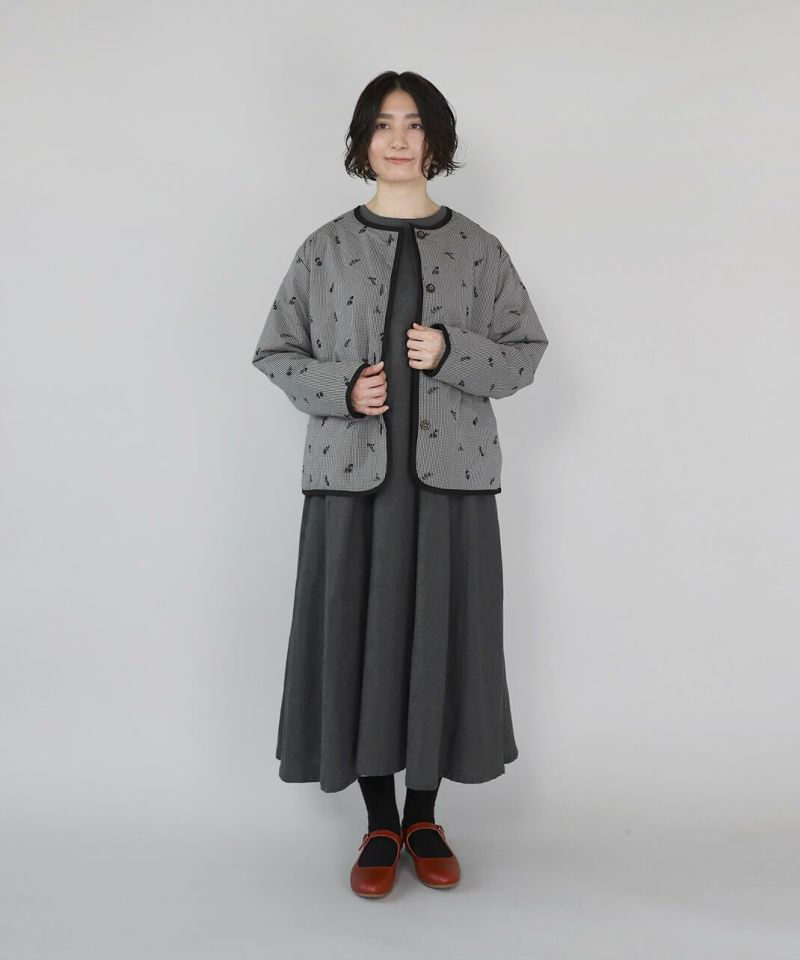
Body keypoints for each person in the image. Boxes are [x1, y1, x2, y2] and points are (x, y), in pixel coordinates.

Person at [251, 70, 549, 898]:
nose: (398, 139)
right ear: (362, 140)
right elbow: (276, 351)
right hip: (351, 486)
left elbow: (525, 354)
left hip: (453, 485)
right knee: (360, 638)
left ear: (436, 141)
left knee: (441, 641)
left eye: (414, 124)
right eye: (383, 124)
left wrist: (453, 351)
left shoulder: (480, 249)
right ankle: (379, 822)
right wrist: (342, 388)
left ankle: (425, 815)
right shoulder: (323, 248)